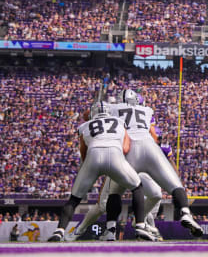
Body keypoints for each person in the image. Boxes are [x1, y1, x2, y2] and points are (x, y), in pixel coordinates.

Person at [104, 89, 203, 238]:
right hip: (150, 148)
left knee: (115, 192)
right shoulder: (147, 110)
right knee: (176, 185)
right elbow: (154, 134)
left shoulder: (113, 108)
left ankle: (111, 230)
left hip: (128, 150)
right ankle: (185, 212)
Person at [48, 101, 152, 241]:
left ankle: (59, 232)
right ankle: (139, 226)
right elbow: (126, 148)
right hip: (116, 156)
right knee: (137, 187)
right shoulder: (120, 122)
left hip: (93, 157)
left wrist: (88, 169)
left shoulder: (84, 126)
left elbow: (83, 152)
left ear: (92, 113)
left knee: (73, 200)